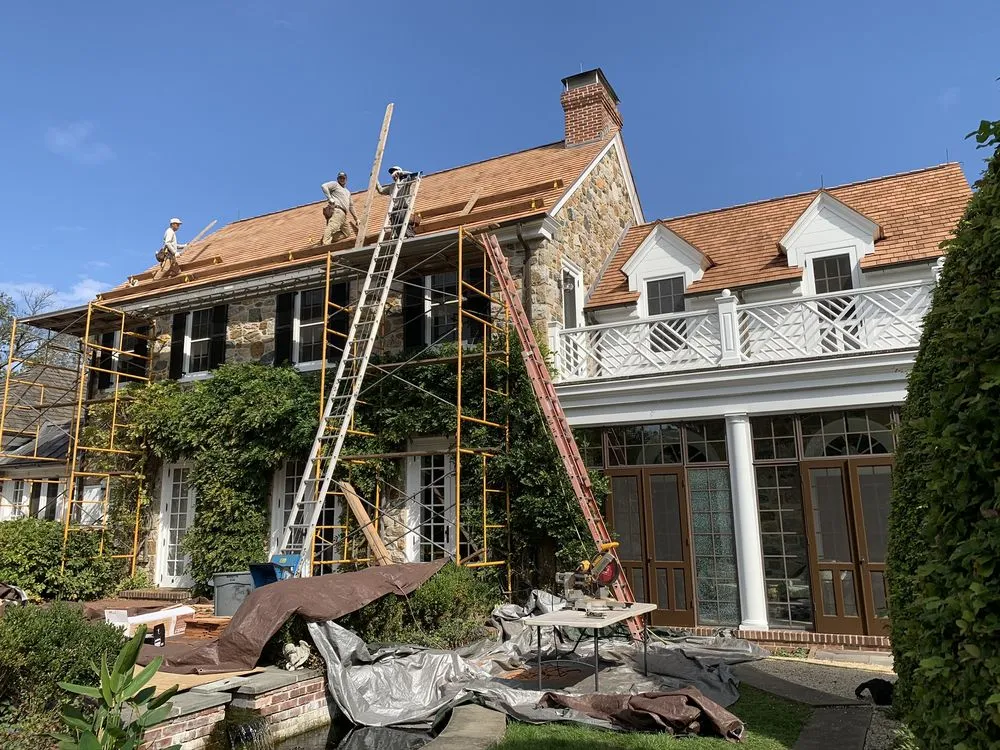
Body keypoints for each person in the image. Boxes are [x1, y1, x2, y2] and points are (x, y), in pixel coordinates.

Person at [376, 166, 419, 239]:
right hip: (394, 211)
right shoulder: (392, 186)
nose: (393, 174)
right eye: (392, 173)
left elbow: (415, 176)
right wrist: (375, 180)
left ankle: (410, 239)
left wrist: (402, 173)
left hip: (403, 209)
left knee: (406, 228)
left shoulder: (405, 181)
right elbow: (381, 190)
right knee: (396, 232)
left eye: (394, 172)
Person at [320, 171, 358, 245]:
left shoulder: (347, 192)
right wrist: (329, 198)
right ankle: (325, 243)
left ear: (346, 179)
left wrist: (356, 219)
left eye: (343, 178)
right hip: (337, 210)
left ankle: (327, 237)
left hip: (344, 215)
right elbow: (324, 186)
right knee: (332, 227)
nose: (342, 179)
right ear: (338, 179)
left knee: (347, 233)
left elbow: (351, 206)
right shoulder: (335, 184)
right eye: (340, 178)